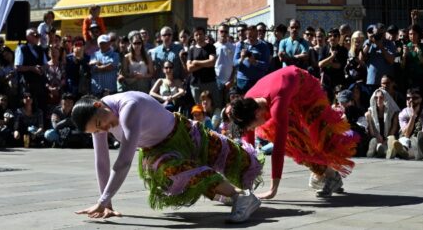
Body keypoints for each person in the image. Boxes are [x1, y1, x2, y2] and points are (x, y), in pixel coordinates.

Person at [72, 92, 263, 223]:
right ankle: (240, 197)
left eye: (100, 124)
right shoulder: (99, 117)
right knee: (179, 172)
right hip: (158, 152)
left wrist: (104, 199)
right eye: (97, 130)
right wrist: (107, 204)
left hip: (185, 134)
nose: (103, 130)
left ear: (99, 105)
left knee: (242, 161)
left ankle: (233, 193)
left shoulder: (128, 107)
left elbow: (123, 161)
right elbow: (102, 162)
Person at [228, 66, 357, 199]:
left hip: (305, 89)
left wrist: (273, 190)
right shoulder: (247, 104)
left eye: (251, 126)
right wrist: (244, 183)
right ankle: (328, 173)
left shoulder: (277, 106)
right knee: (295, 143)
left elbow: (278, 148)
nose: (251, 130)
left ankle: (330, 175)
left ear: (257, 113)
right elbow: (249, 150)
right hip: (284, 92)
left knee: (319, 136)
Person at [389, 88, 423, 160]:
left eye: (415, 98)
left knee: (415, 142)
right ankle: (401, 151)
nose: (411, 100)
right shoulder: (403, 113)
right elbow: (406, 133)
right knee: (404, 140)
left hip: (419, 141)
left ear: (421, 99)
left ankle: (397, 152)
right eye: (408, 98)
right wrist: (413, 116)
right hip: (406, 139)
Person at [187, 27, 219, 107]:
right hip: (196, 84)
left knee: (213, 107)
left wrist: (196, 62)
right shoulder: (191, 50)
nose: (199, 36)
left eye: (200, 34)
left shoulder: (211, 47)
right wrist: (205, 63)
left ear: (204, 35)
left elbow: (212, 62)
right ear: (194, 37)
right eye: (196, 35)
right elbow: (189, 68)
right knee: (199, 108)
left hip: (210, 82)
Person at [15, 29, 48, 109]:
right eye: (35, 35)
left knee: (41, 106)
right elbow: (17, 67)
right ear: (27, 37)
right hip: (27, 84)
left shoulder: (40, 49)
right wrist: (32, 68)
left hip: (40, 84)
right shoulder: (22, 48)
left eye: (38, 35)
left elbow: (46, 64)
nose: (37, 37)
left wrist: (42, 69)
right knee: (29, 107)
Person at [364, 87, 400, 158]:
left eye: (381, 98)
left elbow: (393, 130)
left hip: (388, 139)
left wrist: (385, 141)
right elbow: (372, 133)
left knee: (391, 140)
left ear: (385, 99)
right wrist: (377, 136)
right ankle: (378, 151)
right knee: (374, 142)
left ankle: (383, 151)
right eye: (376, 98)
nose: (378, 100)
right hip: (375, 138)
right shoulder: (370, 112)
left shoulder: (393, 113)